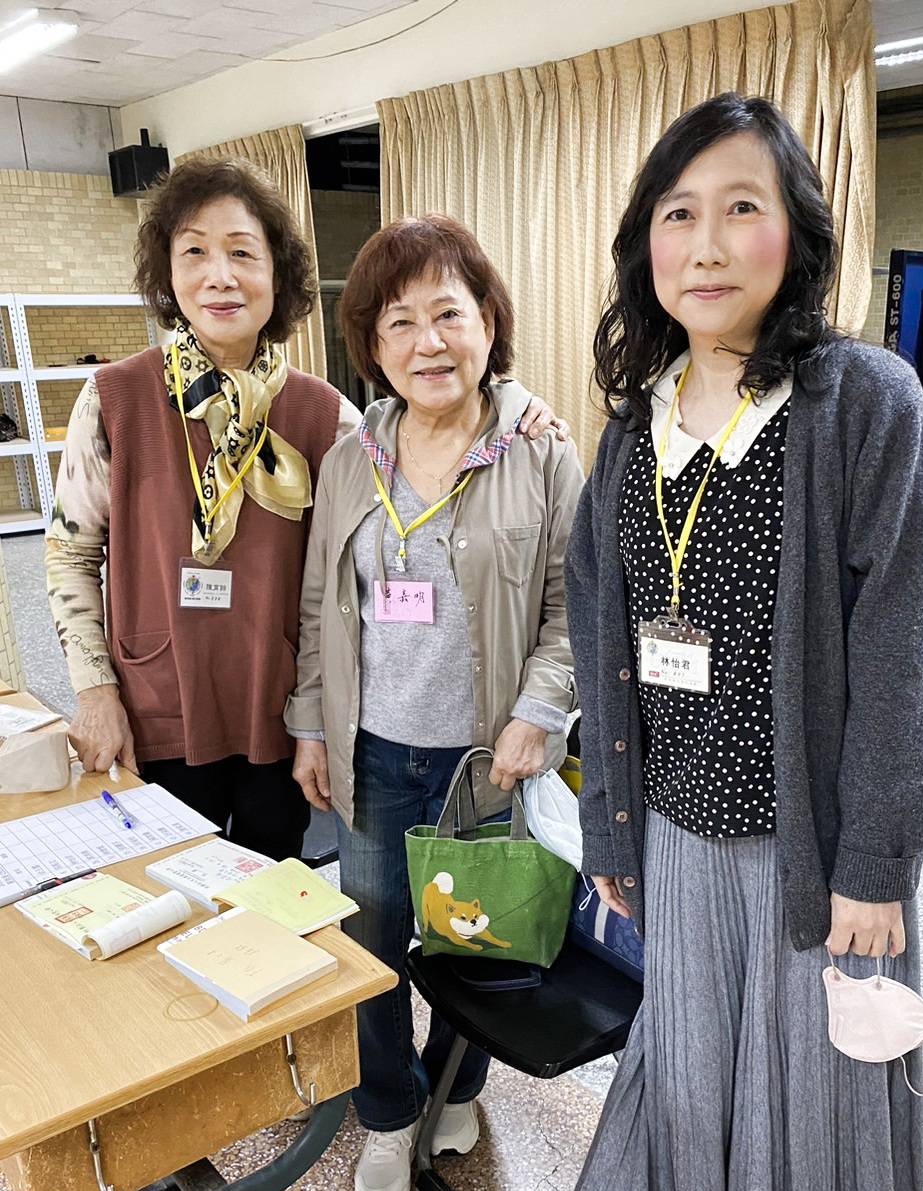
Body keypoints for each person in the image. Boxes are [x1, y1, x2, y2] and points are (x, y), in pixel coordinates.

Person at [565, 94, 923, 1191]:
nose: (708, 242)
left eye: (743, 206)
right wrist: (609, 827)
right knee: (688, 1053)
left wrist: (876, 865)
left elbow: (908, 652)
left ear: (796, 234)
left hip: (813, 840)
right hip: (675, 823)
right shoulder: (633, 425)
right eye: (678, 213)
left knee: (794, 1066)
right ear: (646, 244)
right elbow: (603, 630)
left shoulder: (861, 402)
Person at [45, 160, 560, 859]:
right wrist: (94, 690)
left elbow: (423, 425)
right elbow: (71, 554)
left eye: (242, 253)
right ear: (167, 274)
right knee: (164, 884)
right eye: (193, 252)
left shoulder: (325, 416)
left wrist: (513, 404)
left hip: (276, 712)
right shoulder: (114, 399)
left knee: (275, 894)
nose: (219, 276)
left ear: (277, 274)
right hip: (156, 705)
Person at [287, 215, 583, 1191]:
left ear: (489, 323)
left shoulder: (541, 453)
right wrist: (310, 725)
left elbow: (575, 608)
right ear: (372, 346)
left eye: (449, 314)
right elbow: (320, 607)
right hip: (372, 750)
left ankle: (456, 1088)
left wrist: (539, 710)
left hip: (487, 759)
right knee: (371, 941)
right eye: (400, 322)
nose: (429, 342)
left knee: (470, 936)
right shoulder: (349, 460)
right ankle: (385, 1112)